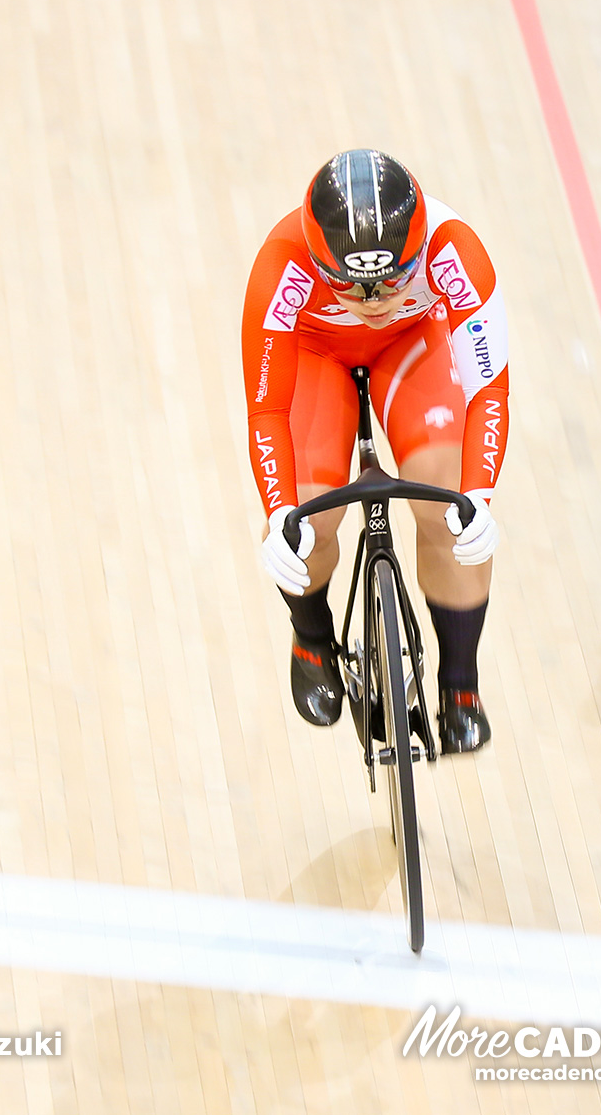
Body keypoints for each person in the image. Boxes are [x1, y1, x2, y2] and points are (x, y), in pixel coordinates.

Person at [241, 149, 509, 754]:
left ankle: (460, 686)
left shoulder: (454, 250)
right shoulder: (280, 264)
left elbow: (489, 388)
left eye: (393, 280)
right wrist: (282, 509)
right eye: (349, 285)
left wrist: (480, 493)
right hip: (316, 353)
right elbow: (267, 411)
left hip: (412, 345)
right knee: (311, 518)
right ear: (316, 263)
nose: (372, 299)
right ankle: (311, 636)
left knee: (449, 512)